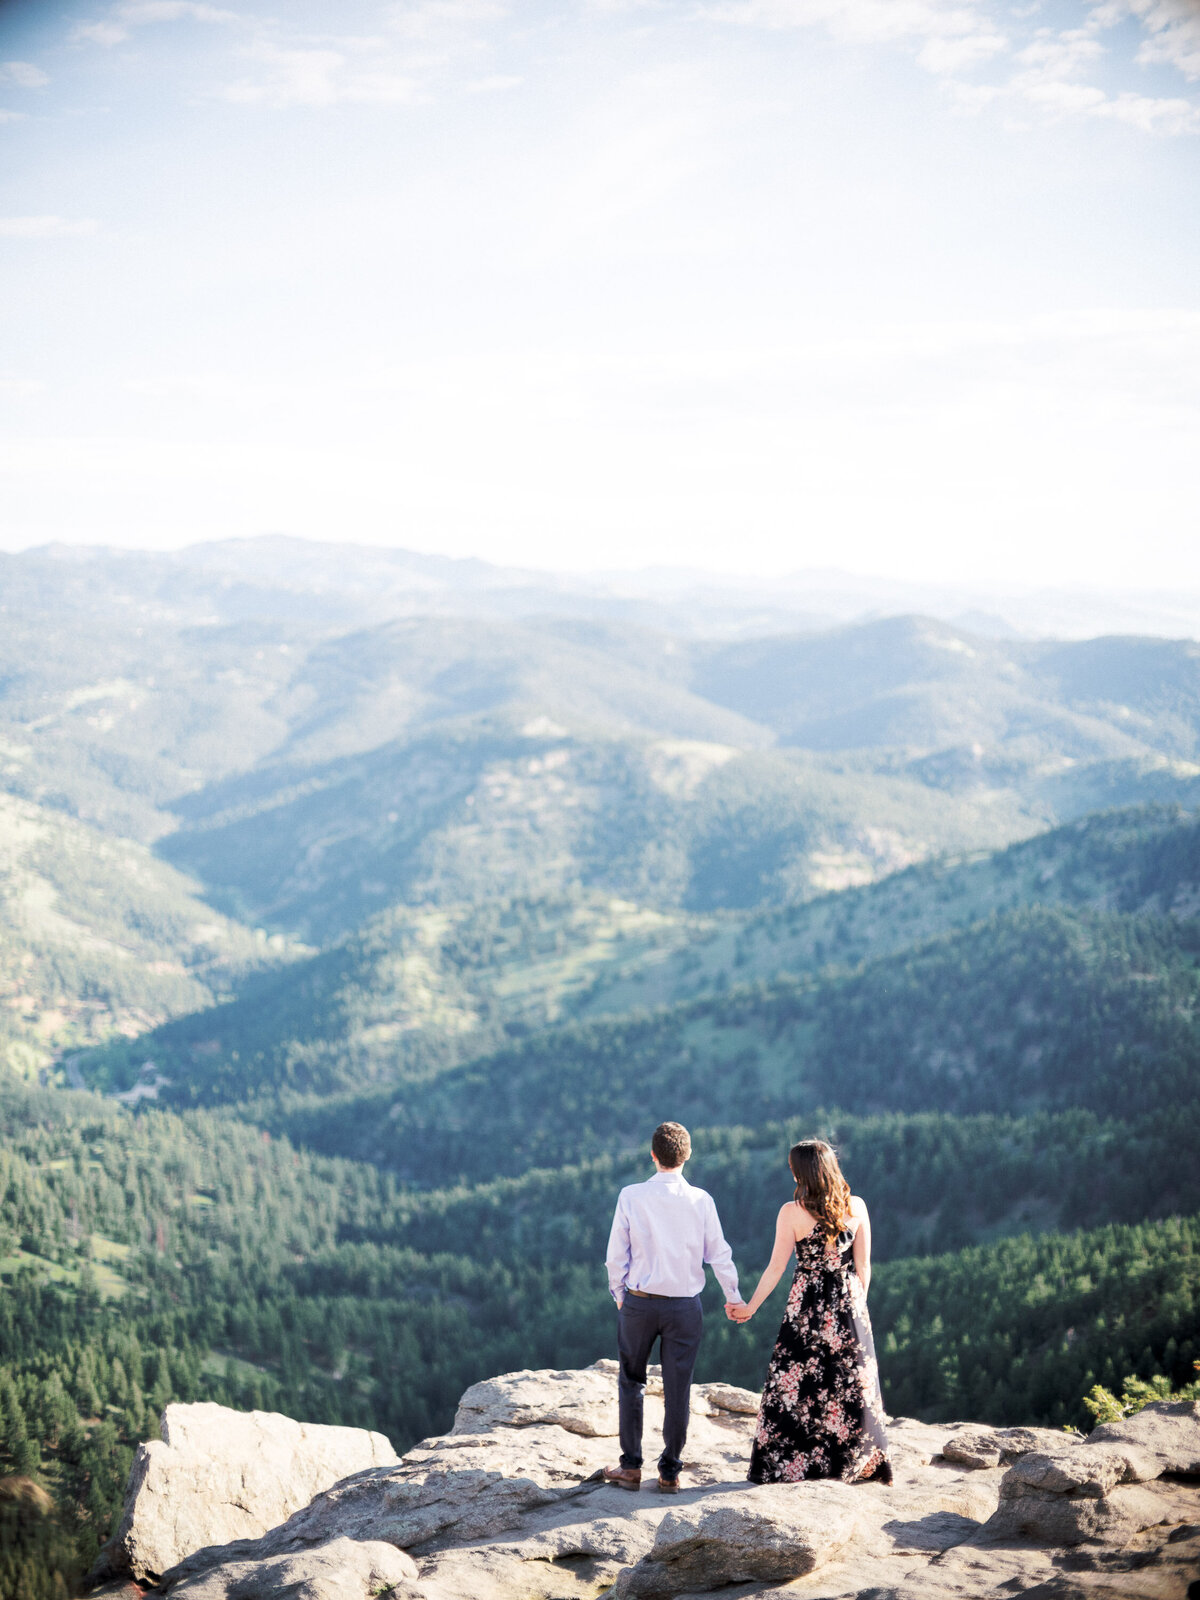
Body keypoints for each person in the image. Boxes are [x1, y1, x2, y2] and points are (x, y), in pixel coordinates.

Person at [728, 1138, 891, 1485]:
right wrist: (858, 1311)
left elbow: (775, 1268)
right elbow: (864, 1266)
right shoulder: (857, 1206)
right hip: (849, 1302)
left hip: (807, 1304)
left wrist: (750, 1308)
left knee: (796, 1382)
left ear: (799, 1172)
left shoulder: (791, 1212)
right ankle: (855, 1463)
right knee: (851, 1383)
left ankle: (795, 1465)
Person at [603, 1121, 744, 1493]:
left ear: (653, 1155)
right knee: (679, 1387)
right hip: (684, 1307)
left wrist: (621, 1294)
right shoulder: (702, 1200)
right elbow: (720, 1254)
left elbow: (617, 1255)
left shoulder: (631, 1196)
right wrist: (734, 1297)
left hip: (640, 1303)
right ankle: (669, 1472)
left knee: (631, 1380)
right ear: (688, 1155)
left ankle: (631, 1466)